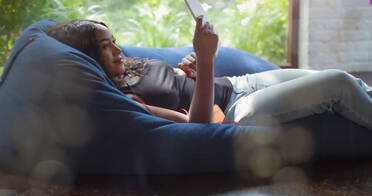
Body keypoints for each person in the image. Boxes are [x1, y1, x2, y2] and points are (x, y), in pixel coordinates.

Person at [46, 18, 372, 130]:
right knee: (338, 84)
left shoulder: (129, 66)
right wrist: (206, 57)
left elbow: (175, 78)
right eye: (105, 46)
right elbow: (197, 125)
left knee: (344, 77)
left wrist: (191, 66)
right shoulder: (126, 100)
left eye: (114, 41)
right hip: (234, 112)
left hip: (238, 84)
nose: (118, 50)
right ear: (88, 55)